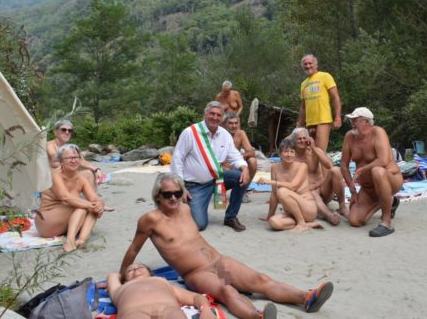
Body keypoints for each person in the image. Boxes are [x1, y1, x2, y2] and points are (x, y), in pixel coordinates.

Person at [120, 173, 333, 319]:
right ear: (158, 197)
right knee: (226, 289)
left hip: (218, 262)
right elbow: (133, 249)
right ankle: (255, 316)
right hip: (196, 273)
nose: (174, 197)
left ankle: (306, 298)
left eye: (177, 192)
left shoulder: (184, 208)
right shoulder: (150, 220)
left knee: (261, 280)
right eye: (168, 194)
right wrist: (123, 276)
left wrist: (181, 192)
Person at [171, 101, 250, 232]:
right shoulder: (190, 132)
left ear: (222, 118)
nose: (215, 117)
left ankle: (231, 217)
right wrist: (181, 187)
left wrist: (245, 168)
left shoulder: (224, 134)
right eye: (212, 113)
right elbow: (177, 160)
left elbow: (234, 155)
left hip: (216, 180)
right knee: (199, 225)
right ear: (205, 114)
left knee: (241, 177)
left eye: (218, 115)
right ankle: (183, 204)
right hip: (195, 185)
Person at [339, 107, 404, 238]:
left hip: (390, 179)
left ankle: (386, 222)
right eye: (351, 120)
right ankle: (388, 202)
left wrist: (362, 169)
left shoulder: (378, 132)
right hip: (368, 188)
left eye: (355, 120)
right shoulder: (349, 136)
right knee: (354, 220)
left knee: (378, 171)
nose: (352, 123)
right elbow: (343, 165)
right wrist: (352, 191)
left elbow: (383, 160)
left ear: (367, 122)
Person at [35, 144, 104, 251]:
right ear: (61, 161)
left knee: (93, 208)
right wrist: (93, 205)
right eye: (69, 158)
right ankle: (69, 242)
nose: (73, 160)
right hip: (46, 222)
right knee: (83, 207)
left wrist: (99, 203)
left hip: (63, 223)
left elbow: (94, 198)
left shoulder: (80, 178)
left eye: (76, 157)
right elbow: (65, 198)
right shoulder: (55, 175)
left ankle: (81, 240)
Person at [106, 263, 217, 319]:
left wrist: (205, 309)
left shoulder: (161, 281)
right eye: (130, 270)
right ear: (124, 280)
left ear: (150, 273)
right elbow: (112, 275)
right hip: (134, 312)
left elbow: (195, 297)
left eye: (140, 267)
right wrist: (122, 277)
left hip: (168, 310)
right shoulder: (121, 288)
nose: (135, 269)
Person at [46, 119, 113, 211]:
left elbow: (83, 162)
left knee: (89, 173)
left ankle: (94, 201)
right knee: (83, 174)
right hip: (54, 179)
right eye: (63, 130)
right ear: (55, 131)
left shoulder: (70, 148)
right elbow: (55, 157)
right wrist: (74, 156)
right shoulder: (50, 145)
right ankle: (91, 203)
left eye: (70, 130)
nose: (67, 132)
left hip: (66, 176)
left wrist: (96, 169)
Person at [258, 138, 322, 232]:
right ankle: (308, 224)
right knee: (274, 222)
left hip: (307, 208)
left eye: (292, 152)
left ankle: (301, 223)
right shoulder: (275, 167)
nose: (289, 155)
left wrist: (270, 181)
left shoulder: (302, 166)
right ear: (280, 153)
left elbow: (293, 186)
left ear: (295, 154)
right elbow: (274, 195)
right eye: (286, 151)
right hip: (291, 211)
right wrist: (269, 216)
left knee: (282, 191)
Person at [290, 127, 347, 225]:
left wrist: (314, 149)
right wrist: (310, 187)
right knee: (312, 193)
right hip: (307, 193)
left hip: (323, 189)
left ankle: (342, 206)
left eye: (304, 138)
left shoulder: (315, 151)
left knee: (335, 170)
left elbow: (329, 165)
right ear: (294, 141)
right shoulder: (291, 156)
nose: (302, 141)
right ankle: (329, 215)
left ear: (309, 139)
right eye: (299, 139)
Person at [297, 54, 342, 152]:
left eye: (310, 63)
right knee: (309, 153)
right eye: (305, 64)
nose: (308, 66)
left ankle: (324, 167)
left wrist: (338, 117)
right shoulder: (303, 84)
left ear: (316, 64)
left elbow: (335, 97)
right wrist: (300, 124)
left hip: (323, 120)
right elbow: (303, 107)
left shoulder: (325, 76)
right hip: (309, 123)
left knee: (319, 152)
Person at [222, 112, 258, 182]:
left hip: (237, 161)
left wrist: (237, 158)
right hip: (222, 164)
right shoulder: (219, 133)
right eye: (230, 123)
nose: (234, 126)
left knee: (252, 161)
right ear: (224, 124)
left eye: (236, 123)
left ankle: (245, 185)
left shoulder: (241, 133)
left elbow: (251, 152)